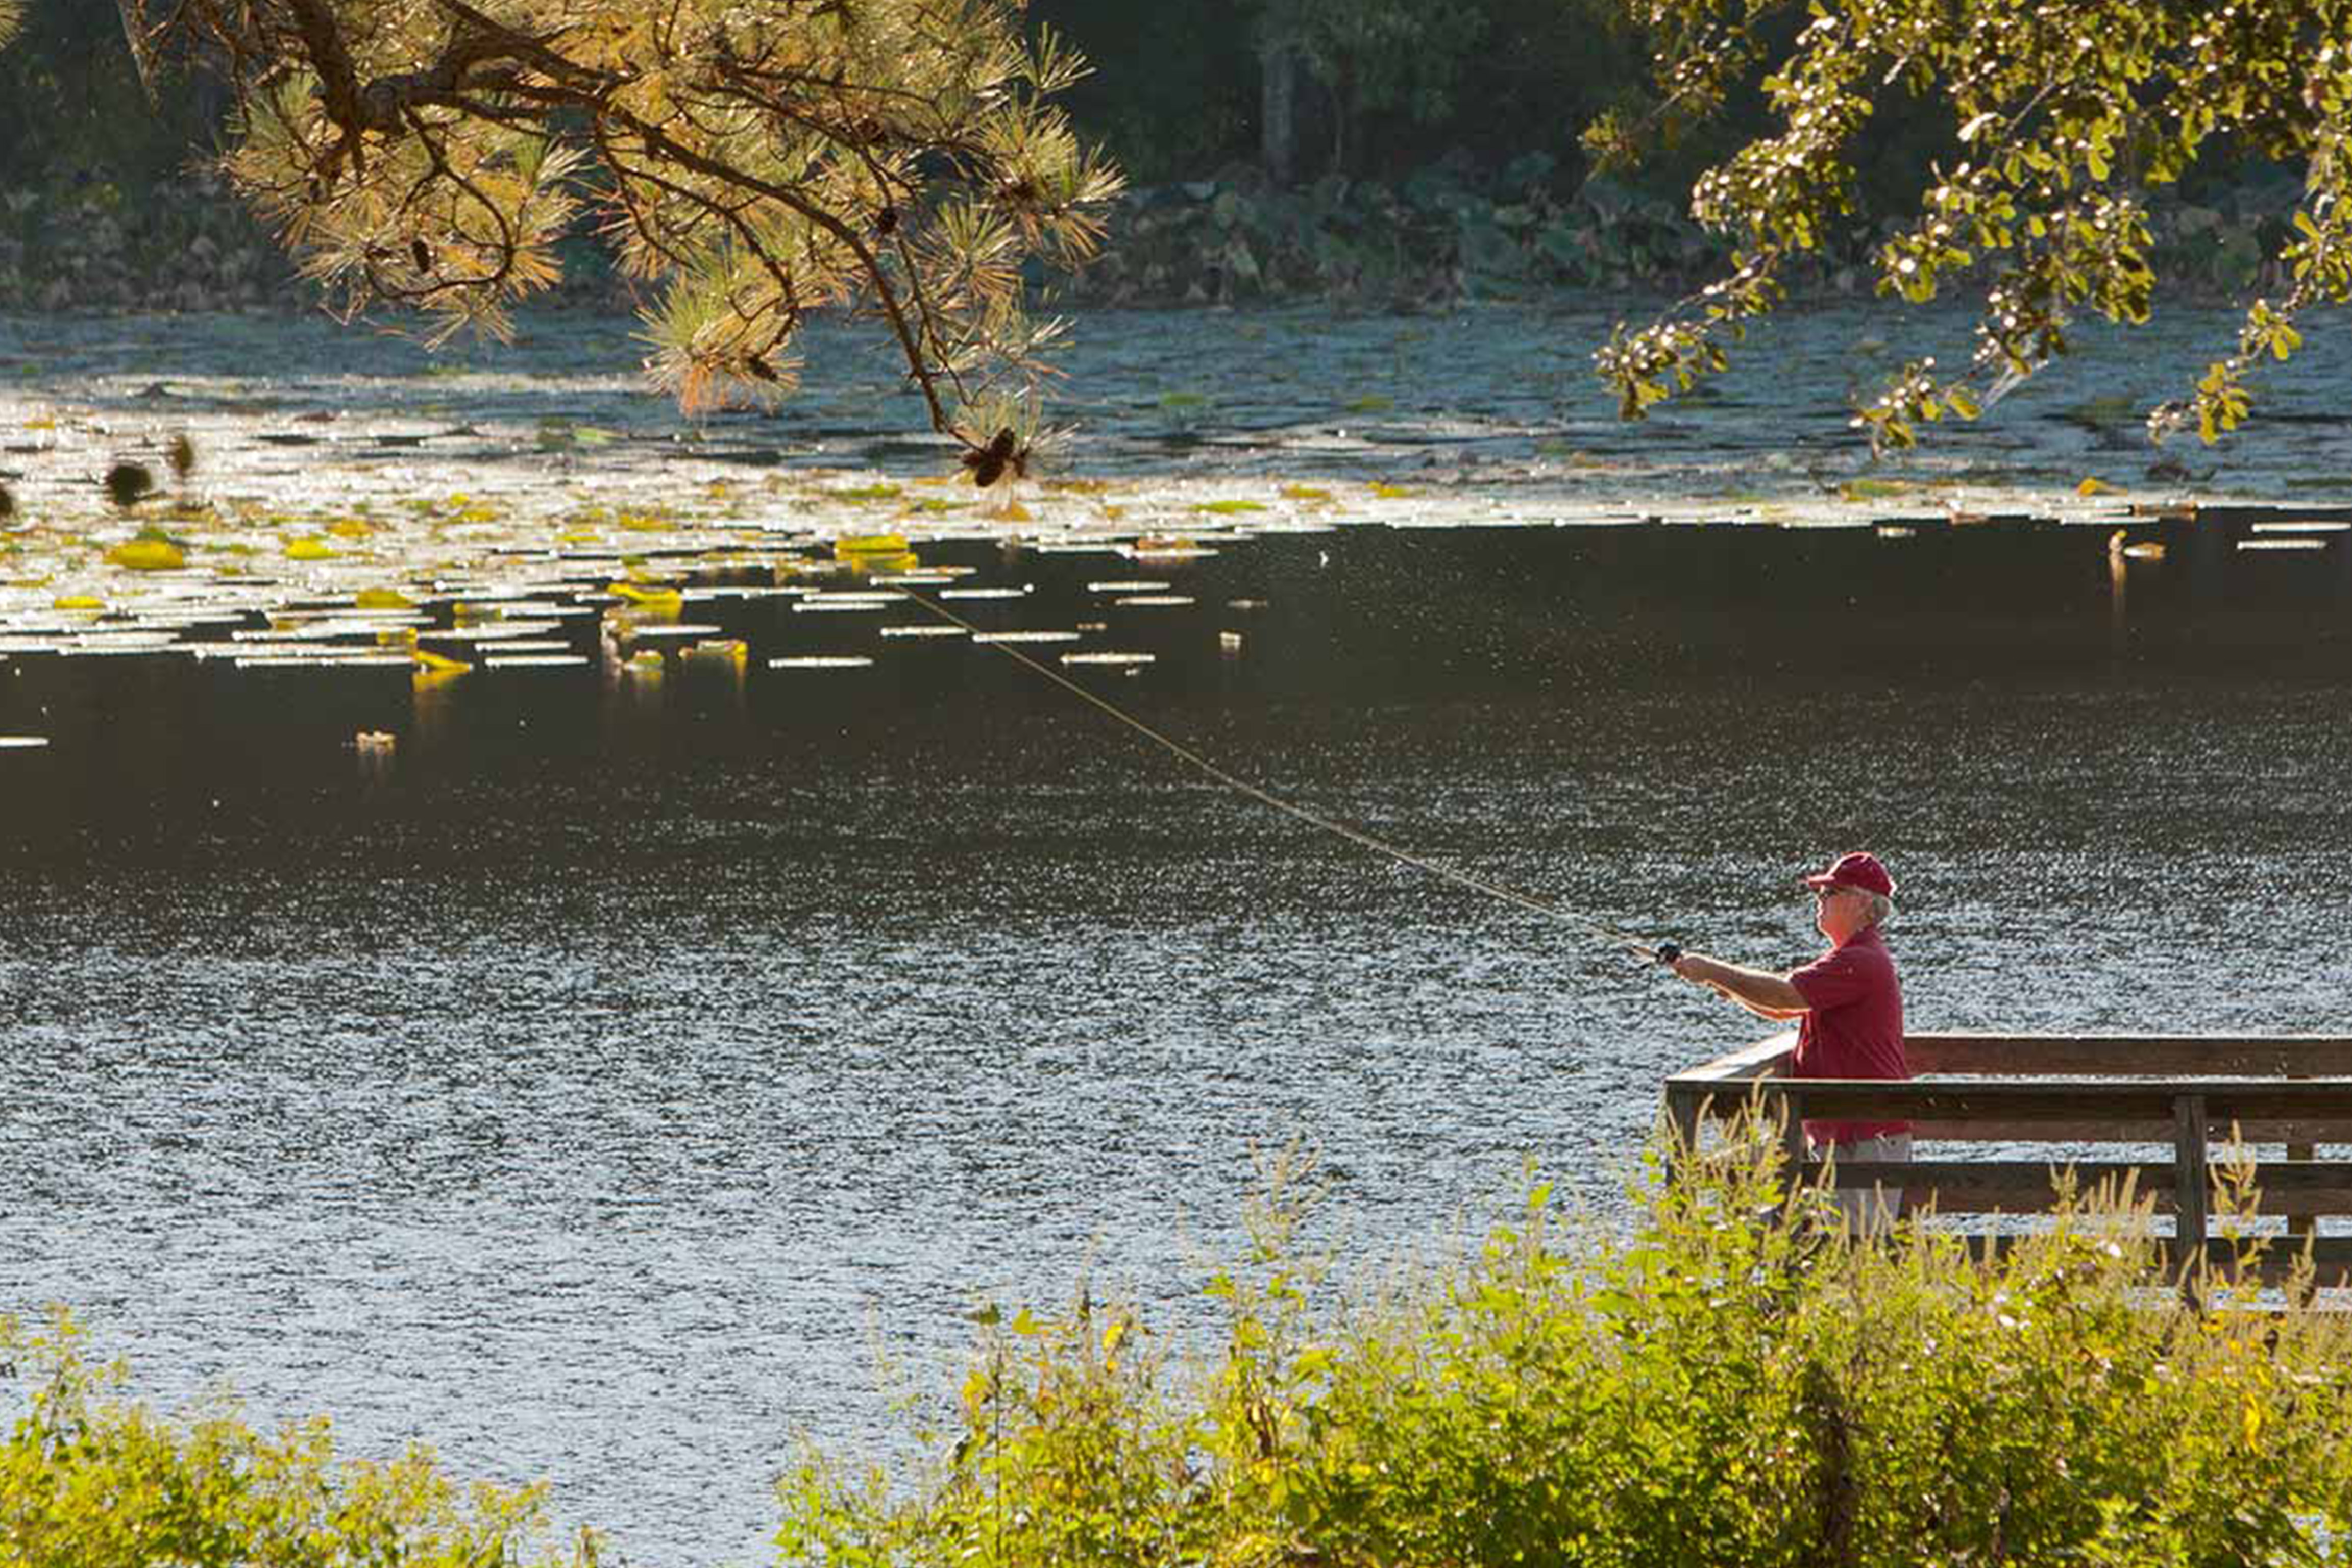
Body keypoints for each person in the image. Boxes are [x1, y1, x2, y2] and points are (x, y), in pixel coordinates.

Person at [1669, 851, 1908, 1232]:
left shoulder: (1859, 961)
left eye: (1831, 892)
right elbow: (1786, 1008)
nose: (1821, 899)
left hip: (1864, 1134)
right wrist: (1719, 982)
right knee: (1830, 1243)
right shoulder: (1852, 958)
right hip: (1850, 1129)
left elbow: (1783, 995)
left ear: (1862, 902)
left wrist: (1711, 969)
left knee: (1857, 1250)